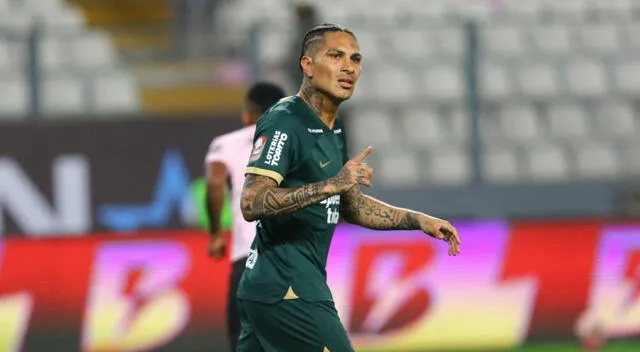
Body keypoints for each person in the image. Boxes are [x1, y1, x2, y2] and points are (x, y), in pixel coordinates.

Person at [236, 23, 462, 352]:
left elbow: (351, 206)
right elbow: (251, 201)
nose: (349, 67)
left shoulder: (334, 127)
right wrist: (331, 185)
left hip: (274, 288)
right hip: (288, 289)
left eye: (355, 59)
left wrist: (418, 220)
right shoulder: (286, 120)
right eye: (336, 56)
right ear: (308, 66)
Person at [203, 82, 286, 352]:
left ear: (248, 113)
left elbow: (215, 185)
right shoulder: (299, 141)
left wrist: (216, 235)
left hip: (248, 256)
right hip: (291, 257)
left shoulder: (225, 143)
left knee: (243, 341)